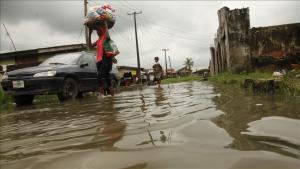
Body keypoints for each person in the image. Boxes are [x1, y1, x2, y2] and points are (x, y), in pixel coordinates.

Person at [88, 22, 114, 96]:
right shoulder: (98, 40)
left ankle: (102, 95)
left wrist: (105, 24)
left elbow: (108, 35)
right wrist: (90, 34)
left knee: (99, 76)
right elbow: (90, 46)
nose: (97, 32)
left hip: (106, 60)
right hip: (99, 61)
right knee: (107, 78)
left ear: (102, 30)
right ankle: (112, 97)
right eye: (96, 31)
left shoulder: (105, 37)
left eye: (98, 30)